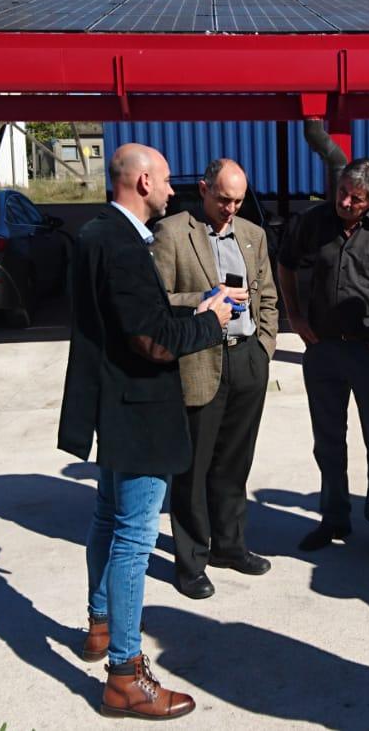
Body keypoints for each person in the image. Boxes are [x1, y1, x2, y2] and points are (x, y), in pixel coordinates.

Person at [57, 143, 234, 720]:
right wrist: (210, 321)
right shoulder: (123, 244)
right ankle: (126, 676)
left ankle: (101, 626)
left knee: (107, 519)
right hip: (138, 410)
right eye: (162, 181)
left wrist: (194, 310)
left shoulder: (97, 233)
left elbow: (139, 322)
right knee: (133, 538)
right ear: (139, 181)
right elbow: (152, 342)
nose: (171, 191)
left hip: (113, 404)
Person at [278, 158, 369, 568]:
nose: (343, 201)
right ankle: (334, 518)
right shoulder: (314, 222)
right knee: (328, 441)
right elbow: (286, 263)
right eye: (341, 192)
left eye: (355, 198)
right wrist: (296, 317)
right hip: (323, 349)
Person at [149, 158, 280, 600]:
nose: (231, 208)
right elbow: (157, 300)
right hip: (199, 360)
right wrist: (204, 299)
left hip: (246, 361)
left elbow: (268, 296)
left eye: (239, 200)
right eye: (223, 199)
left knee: (234, 463)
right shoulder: (172, 233)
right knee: (193, 468)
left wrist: (264, 347)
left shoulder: (253, 235)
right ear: (203, 189)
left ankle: (230, 545)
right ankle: (191, 561)